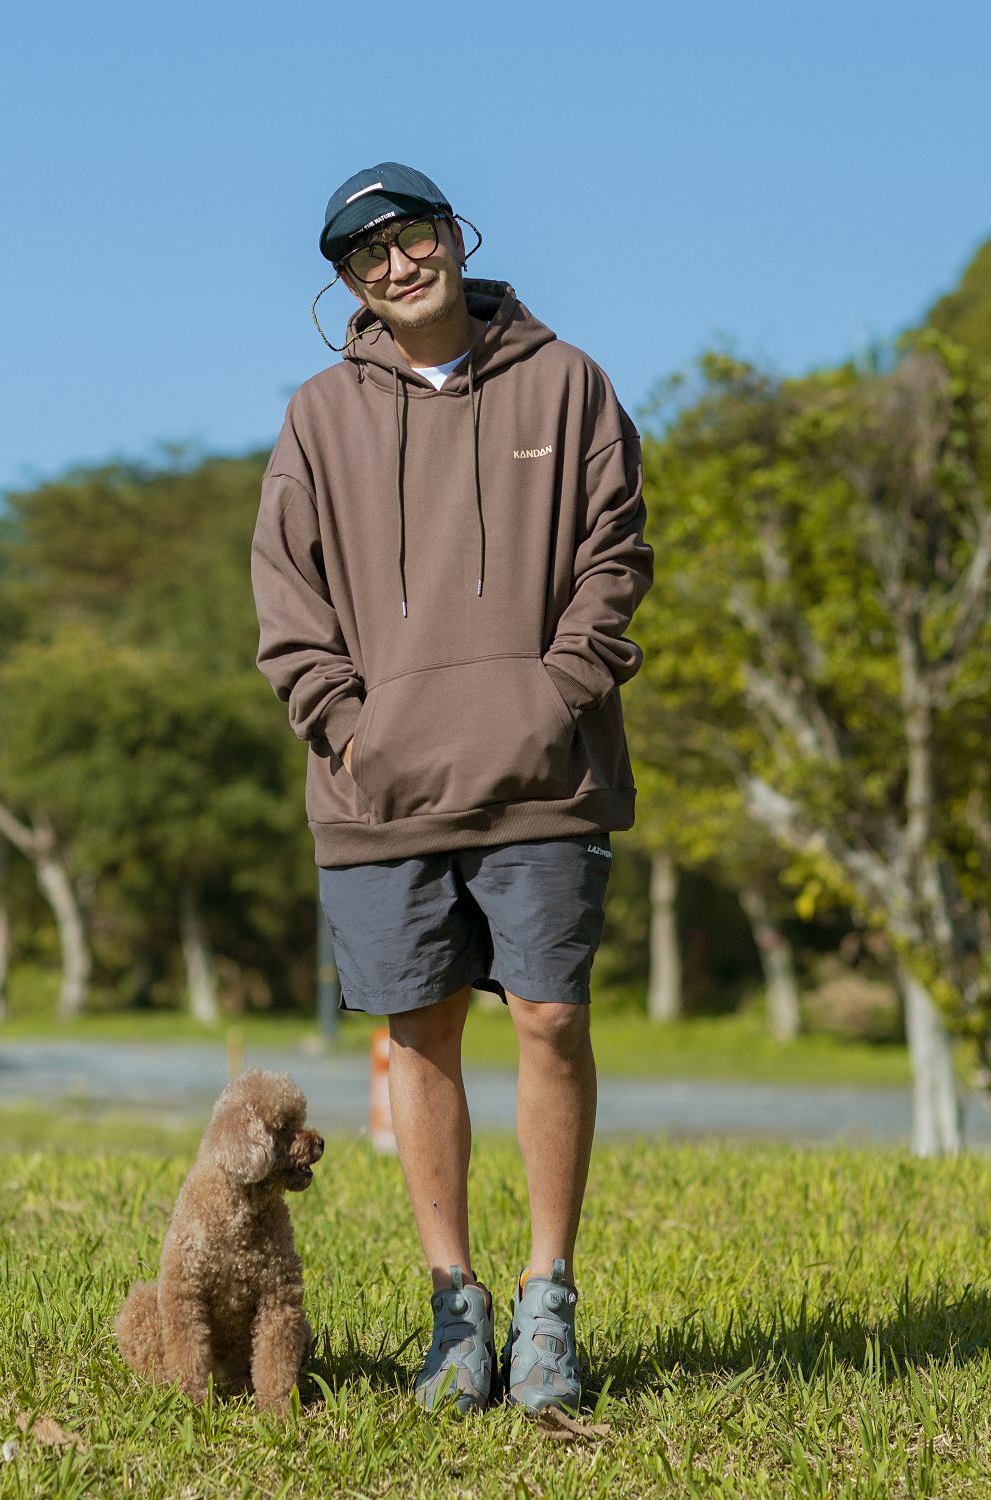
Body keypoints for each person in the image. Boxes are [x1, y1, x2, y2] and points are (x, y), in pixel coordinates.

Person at [249, 161, 653, 1416]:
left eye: (413, 234)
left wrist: (553, 693)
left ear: (454, 237)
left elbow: (616, 558)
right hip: (380, 794)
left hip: (545, 774)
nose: (397, 263)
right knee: (418, 1032)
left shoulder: (567, 381)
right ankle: (455, 1310)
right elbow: (287, 601)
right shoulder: (320, 414)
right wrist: (351, 731)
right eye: (365, 254)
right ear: (348, 283)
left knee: (551, 1019)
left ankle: (548, 1301)